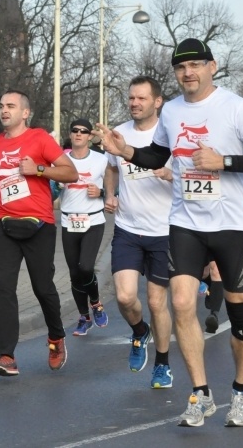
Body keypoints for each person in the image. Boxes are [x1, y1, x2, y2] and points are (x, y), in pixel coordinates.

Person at [96, 38, 243, 428]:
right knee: (181, 303)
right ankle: (200, 393)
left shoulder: (236, 107)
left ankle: (242, 389)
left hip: (230, 224)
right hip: (185, 224)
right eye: (181, 68)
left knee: (240, 312)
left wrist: (225, 161)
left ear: (212, 67)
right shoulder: (173, 112)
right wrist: (126, 150)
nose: (188, 73)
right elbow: (158, 157)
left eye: (195, 65)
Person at [0, 89, 78, 376]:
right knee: (3, 288)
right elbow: (4, 178)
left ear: (25, 113)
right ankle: (5, 356)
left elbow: (70, 173)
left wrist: (38, 169)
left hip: (39, 225)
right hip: (4, 223)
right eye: (1, 106)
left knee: (42, 287)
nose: (4, 110)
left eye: (10, 106)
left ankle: (55, 336)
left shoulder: (40, 139)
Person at [102, 76, 175, 390]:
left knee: (158, 303)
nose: (134, 103)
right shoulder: (120, 134)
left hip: (164, 231)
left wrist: (170, 174)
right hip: (128, 228)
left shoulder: (170, 136)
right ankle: (139, 330)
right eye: (131, 98)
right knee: (124, 296)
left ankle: (162, 365)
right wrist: (110, 193)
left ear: (157, 101)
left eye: (141, 98)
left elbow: (190, 176)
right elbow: (111, 167)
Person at [57, 119, 110, 337]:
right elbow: (50, 190)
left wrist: (102, 193)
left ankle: (96, 303)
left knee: (86, 267)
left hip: (93, 221)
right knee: (74, 273)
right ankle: (83, 317)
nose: (78, 134)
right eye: (75, 130)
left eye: (83, 131)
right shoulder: (61, 160)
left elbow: (116, 189)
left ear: (90, 136)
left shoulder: (101, 160)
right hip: (69, 220)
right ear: (70, 135)